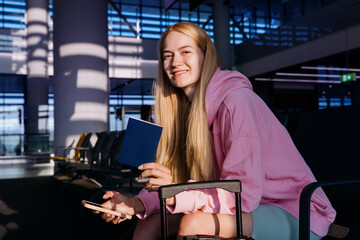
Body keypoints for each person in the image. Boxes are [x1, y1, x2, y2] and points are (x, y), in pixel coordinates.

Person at [95, 22, 336, 240]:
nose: (175, 62)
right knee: (151, 224)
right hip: (242, 204)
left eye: (185, 52)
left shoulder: (236, 102)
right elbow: (178, 183)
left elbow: (243, 195)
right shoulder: (182, 114)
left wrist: (175, 194)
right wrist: (136, 203)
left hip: (294, 209)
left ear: (205, 56)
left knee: (194, 223)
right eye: (167, 56)